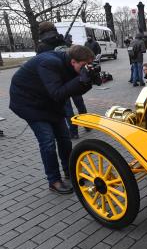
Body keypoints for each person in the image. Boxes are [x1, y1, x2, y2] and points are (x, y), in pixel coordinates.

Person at [9, 45, 96, 194]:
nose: (85, 68)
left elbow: (71, 89)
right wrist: (81, 80)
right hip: (28, 103)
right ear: (73, 61)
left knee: (64, 139)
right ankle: (54, 181)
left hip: (48, 102)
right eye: (83, 65)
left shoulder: (69, 64)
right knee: (48, 141)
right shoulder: (49, 63)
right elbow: (57, 92)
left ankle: (70, 171)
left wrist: (88, 81)